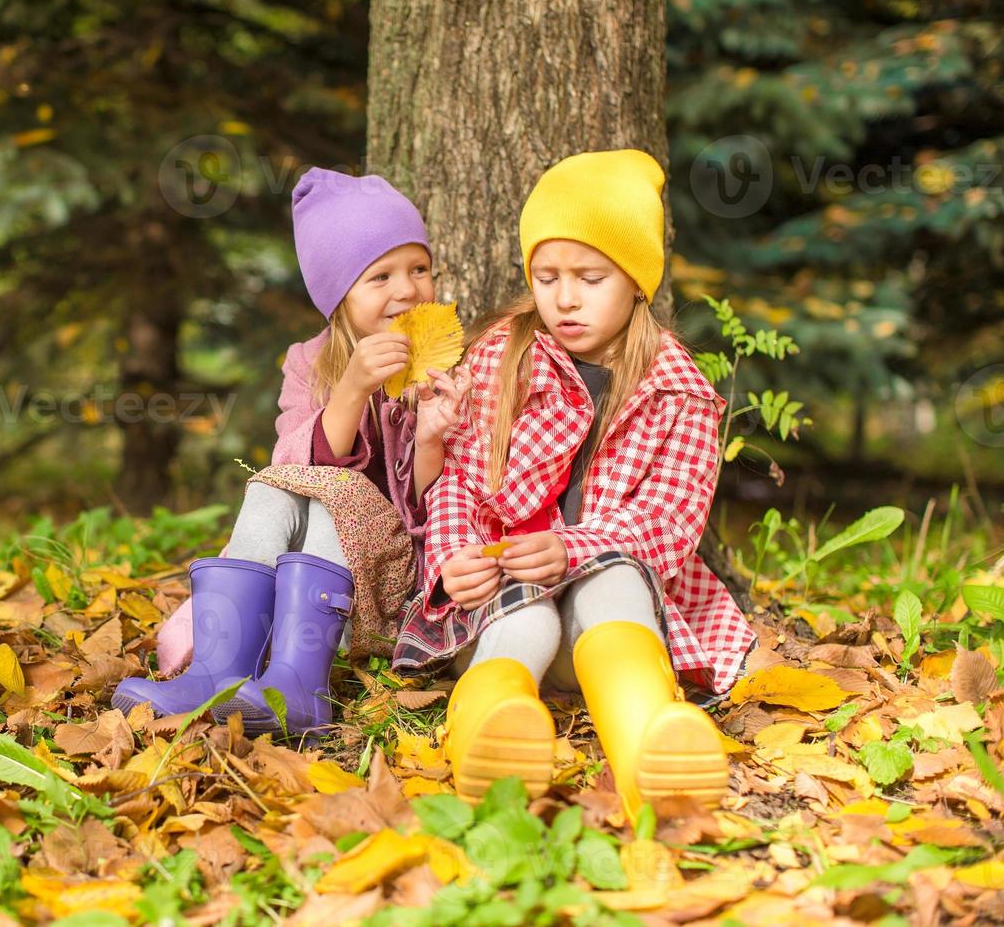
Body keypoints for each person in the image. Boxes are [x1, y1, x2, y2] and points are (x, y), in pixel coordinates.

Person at [395, 149, 758, 821]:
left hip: (608, 619)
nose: (564, 298)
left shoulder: (676, 389)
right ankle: (489, 732)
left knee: (613, 578)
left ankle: (647, 738)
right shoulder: (503, 358)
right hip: (503, 604)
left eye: (591, 277)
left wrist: (575, 548)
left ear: (637, 283)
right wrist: (452, 561)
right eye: (546, 275)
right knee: (526, 612)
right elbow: (456, 483)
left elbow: (671, 523)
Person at [113, 167, 471, 740]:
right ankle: (220, 671)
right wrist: (351, 390)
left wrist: (430, 433)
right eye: (380, 276)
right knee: (275, 482)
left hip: (386, 585)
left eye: (419, 268)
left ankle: (300, 689)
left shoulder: (447, 365)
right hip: (299, 593)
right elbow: (293, 464)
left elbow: (441, 501)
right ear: (338, 295)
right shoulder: (311, 363)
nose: (407, 289)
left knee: (338, 492)